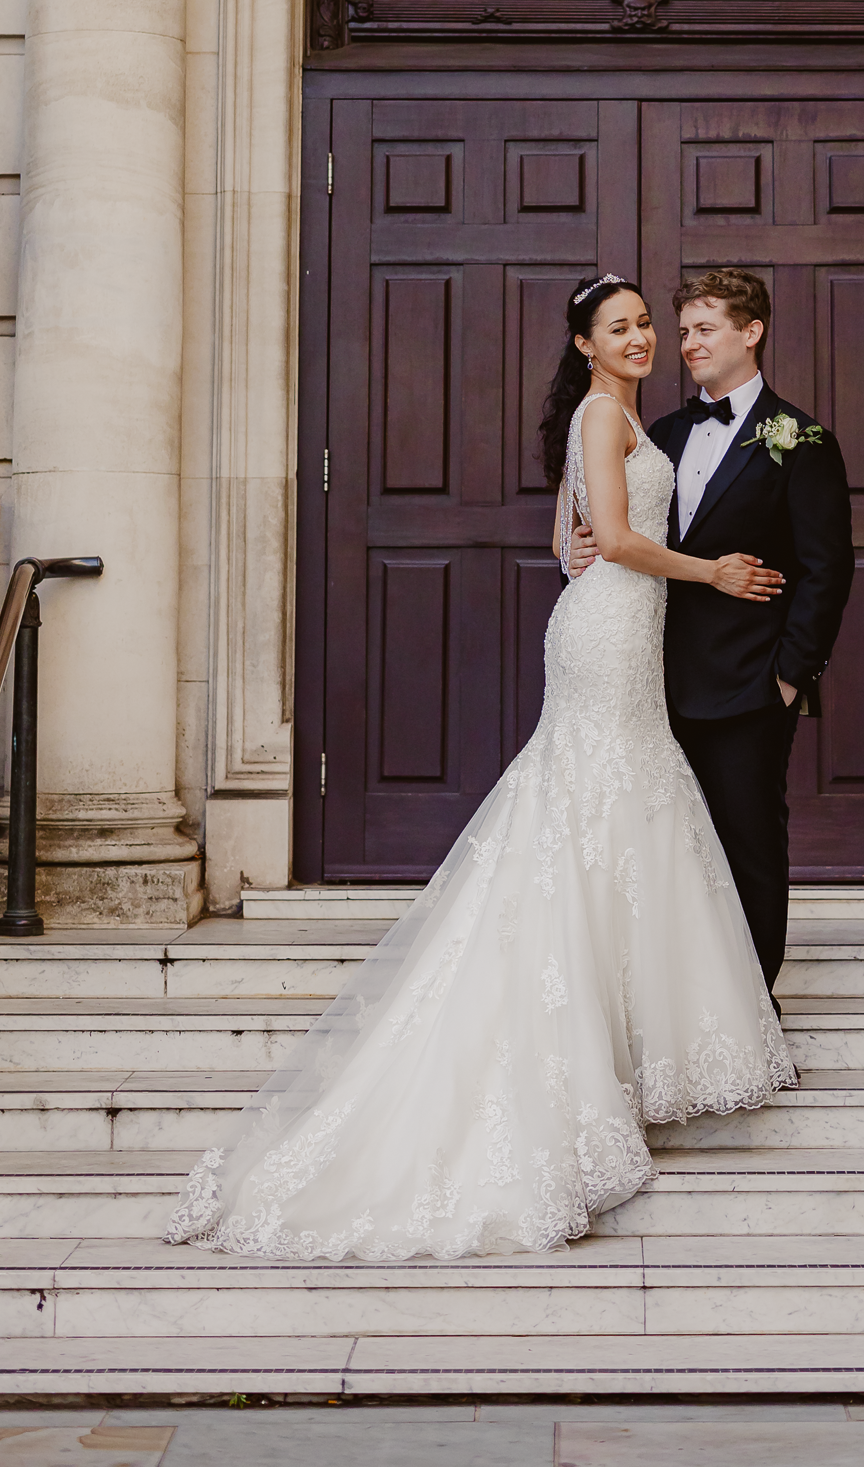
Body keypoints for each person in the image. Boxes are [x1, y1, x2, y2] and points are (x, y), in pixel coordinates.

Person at [162, 274, 795, 1263]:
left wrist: (586, 544)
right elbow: (621, 541)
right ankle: (571, 1046)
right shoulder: (601, 412)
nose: (639, 338)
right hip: (603, 639)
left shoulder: (625, 418)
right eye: (619, 327)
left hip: (623, 634)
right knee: (589, 805)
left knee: (618, 815)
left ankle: (608, 1039)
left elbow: (570, 538)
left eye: (642, 326)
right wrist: (706, 569)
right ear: (585, 344)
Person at [566, 267, 855, 999]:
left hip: (749, 683)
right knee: (667, 851)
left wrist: (789, 675)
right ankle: (681, 1010)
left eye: (704, 329)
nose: (686, 344)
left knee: (747, 846)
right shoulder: (659, 433)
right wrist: (571, 547)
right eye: (684, 329)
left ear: (750, 332)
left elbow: (827, 569)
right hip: (649, 677)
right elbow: (617, 531)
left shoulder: (803, 440)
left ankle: (752, 1010)